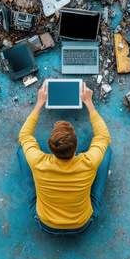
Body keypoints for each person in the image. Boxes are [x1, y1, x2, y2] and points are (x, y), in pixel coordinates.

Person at [18, 81, 112, 236]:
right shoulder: (89, 162)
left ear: (50, 148)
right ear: (76, 146)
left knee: (23, 150)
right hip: (81, 225)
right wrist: (89, 102)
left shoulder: (38, 162)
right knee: (105, 151)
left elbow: (24, 136)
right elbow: (103, 136)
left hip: (46, 225)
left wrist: (39, 103)